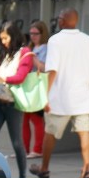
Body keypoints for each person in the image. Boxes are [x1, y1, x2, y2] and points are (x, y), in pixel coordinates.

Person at [29, 8, 89, 178]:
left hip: (60, 97)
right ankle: (87, 169)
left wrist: (45, 95)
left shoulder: (55, 40)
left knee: (50, 133)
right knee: (85, 132)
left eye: (59, 18)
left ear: (63, 21)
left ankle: (44, 169)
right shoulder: (87, 40)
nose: (58, 20)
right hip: (82, 96)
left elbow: (52, 70)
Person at [0, 20, 34, 178]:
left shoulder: (25, 53)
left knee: (17, 142)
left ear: (14, 36)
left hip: (13, 104)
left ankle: (22, 177)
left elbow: (20, 77)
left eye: (6, 38)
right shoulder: (4, 54)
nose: (3, 42)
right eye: (2, 39)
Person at [22, 20, 50, 158]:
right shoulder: (31, 47)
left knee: (36, 119)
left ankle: (37, 149)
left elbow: (44, 68)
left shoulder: (44, 48)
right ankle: (24, 149)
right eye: (31, 33)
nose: (32, 36)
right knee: (24, 119)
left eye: (36, 34)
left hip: (37, 85)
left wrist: (32, 57)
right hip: (27, 85)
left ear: (42, 34)